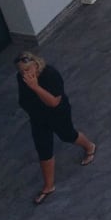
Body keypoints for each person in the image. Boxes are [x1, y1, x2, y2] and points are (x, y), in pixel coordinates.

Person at [16, 51, 96, 205]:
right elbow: (23, 99)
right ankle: (48, 186)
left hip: (57, 114)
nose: (24, 74)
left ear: (36, 65)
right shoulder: (21, 78)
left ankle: (89, 146)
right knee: (43, 148)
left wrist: (35, 87)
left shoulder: (50, 75)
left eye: (27, 69)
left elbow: (53, 102)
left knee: (68, 135)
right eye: (21, 71)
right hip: (38, 117)